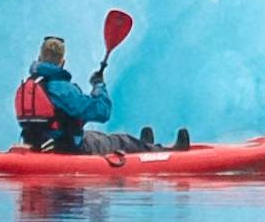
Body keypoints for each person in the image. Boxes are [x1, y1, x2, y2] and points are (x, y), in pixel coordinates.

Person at [13, 35, 159, 155]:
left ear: (39, 58)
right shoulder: (63, 89)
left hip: (35, 145)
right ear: (62, 63)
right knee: (120, 141)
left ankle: (144, 144)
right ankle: (155, 150)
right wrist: (99, 85)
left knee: (96, 136)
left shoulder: (26, 87)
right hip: (67, 149)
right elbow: (102, 111)